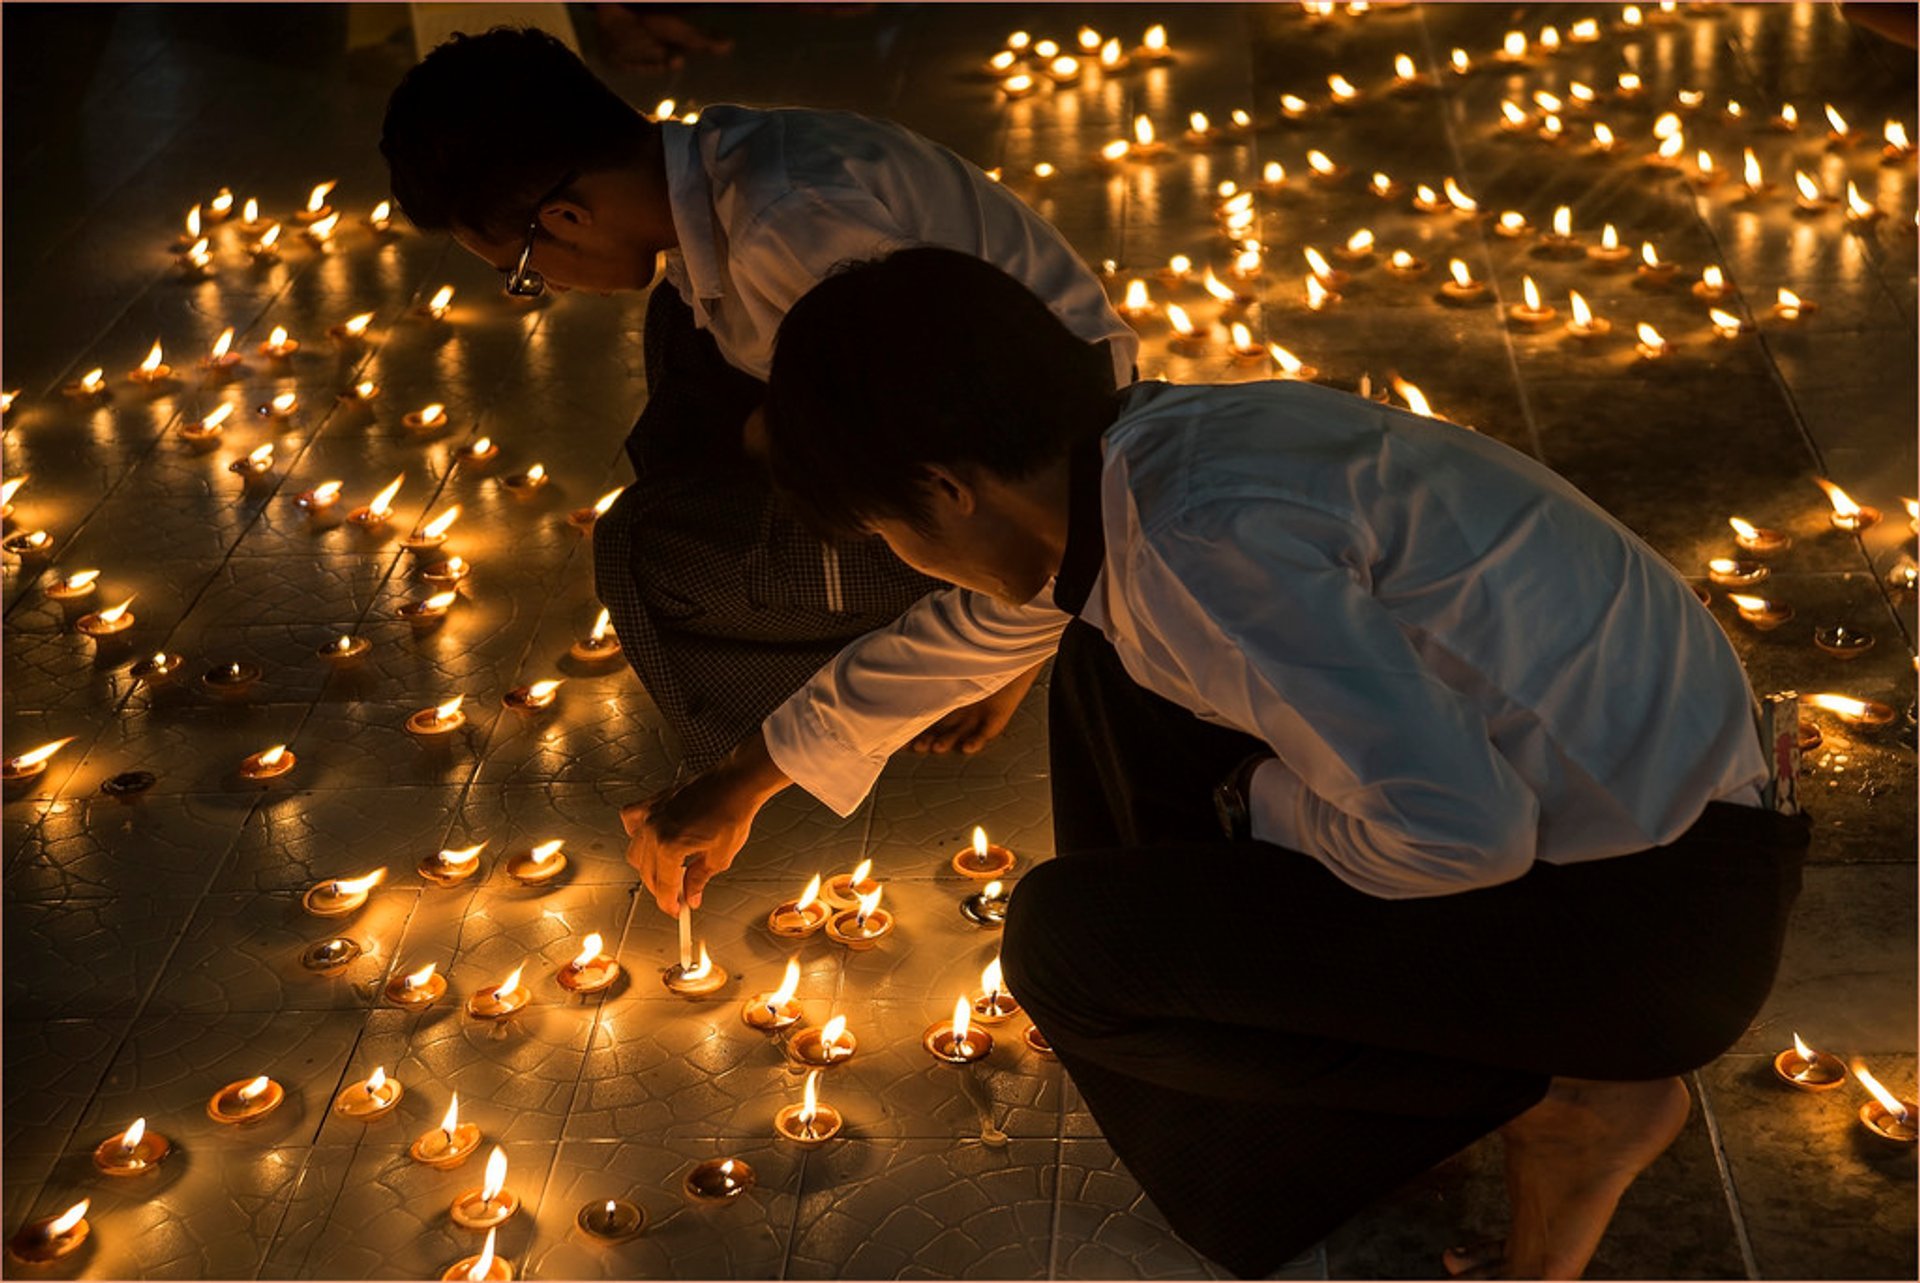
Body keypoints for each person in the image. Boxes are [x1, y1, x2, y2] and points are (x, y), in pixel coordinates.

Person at [621, 248, 1810, 1279]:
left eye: (889, 528)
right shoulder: (1145, 455)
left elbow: (1461, 834)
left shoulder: (1196, 548)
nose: (906, 557)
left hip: (1646, 925)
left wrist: (1262, 802)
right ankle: (1313, 1017)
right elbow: (989, 625)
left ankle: (1563, 1096)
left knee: (1070, 945)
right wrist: (752, 772)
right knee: (1097, 662)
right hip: (1663, 820)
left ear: (945, 487)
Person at [378, 27, 1137, 769]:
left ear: (568, 218)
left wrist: (1012, 639)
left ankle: (935, 663)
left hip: (1046, 471)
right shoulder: (726, 160)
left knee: (650, 556)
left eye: (522, 270)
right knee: (683, 343)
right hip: (997, 407)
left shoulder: (794, 231)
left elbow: (985, 481)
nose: (544, 288)